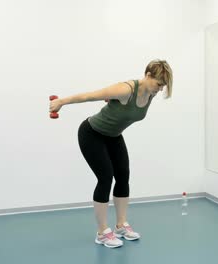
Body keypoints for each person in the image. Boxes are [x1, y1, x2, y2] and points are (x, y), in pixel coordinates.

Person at [49, 59, 173, 248]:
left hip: (113, 136)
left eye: (163, 86)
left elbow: (126, 109)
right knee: (106, 177)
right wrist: (61, 102)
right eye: (158, 84)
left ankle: (121, 225)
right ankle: (102, 232)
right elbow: (91, 96)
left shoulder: (150, 92)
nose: (159, 89)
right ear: (147, 75)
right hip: (92, 133)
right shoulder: (126, 89)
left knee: (123, 175)